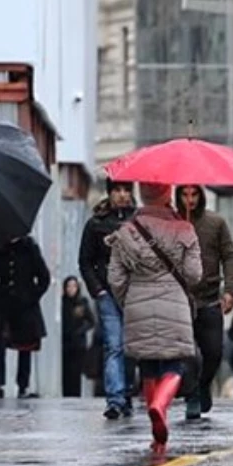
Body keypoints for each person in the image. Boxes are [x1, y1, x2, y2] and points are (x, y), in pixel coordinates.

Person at [107, 182, 202, 452]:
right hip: (174, 303)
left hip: (137, 302)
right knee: (175, 364)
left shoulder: (126, 232)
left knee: (147, 365)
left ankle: (156, 433)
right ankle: (160, 405)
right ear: (168, 195)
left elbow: (114, 278)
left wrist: (129, 299)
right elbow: (194, 275)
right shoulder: (184, 229)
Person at [175, 185, 233, 419]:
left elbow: (229, 255)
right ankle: (191, 394)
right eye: (184, 194)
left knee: (214, 352)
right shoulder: (171, 224)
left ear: (201, 196)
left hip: (210, 297)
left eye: (194, 194)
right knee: (188, 353)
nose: (189, 200)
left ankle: (203, 385)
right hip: (180, 299)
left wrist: (230, 290)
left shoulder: (216, 223)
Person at [79, 177, 137, 418]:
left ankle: (127, 394)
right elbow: (85, 261)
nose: (122, 195)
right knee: (114, 345)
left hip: (135, 293)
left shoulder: (140, 222)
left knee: (131, 348)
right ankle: (114, 398)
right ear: (110, 193)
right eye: (117, 190)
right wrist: (98, 290)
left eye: (126, 190)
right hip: (108, 294)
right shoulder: (96, 224)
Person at [0, 236, 50, 398]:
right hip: (2, 304)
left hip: (25, 305)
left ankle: (23, 386)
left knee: (25, 345)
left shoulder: (30, 248)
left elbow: (44, 277)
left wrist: (32, 296)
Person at [61, 276, 95, 397]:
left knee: (75, 372)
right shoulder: (62, 303)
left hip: (78, 344)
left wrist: (80, 331)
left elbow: (91, 321)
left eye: (74, 286)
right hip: (65, 343)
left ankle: (75, 395)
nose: (71, 289)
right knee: (66, 371)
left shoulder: (82, 302)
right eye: (68, 286)